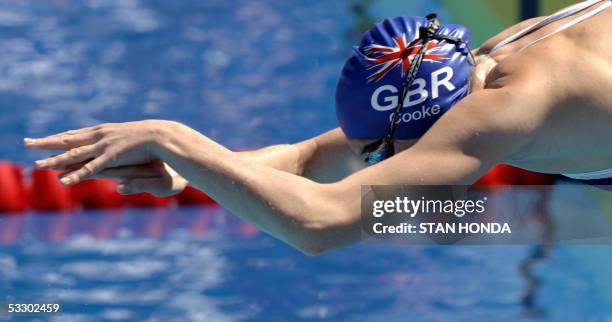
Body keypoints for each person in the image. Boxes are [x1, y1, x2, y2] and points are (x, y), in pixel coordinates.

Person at [25, 0, 612, 255]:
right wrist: (189, 174)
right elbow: (310, 158)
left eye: (386, 153)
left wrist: (176, 138)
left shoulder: (504, 109)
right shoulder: (477, 66)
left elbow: (320, 222)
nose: (383, 166)